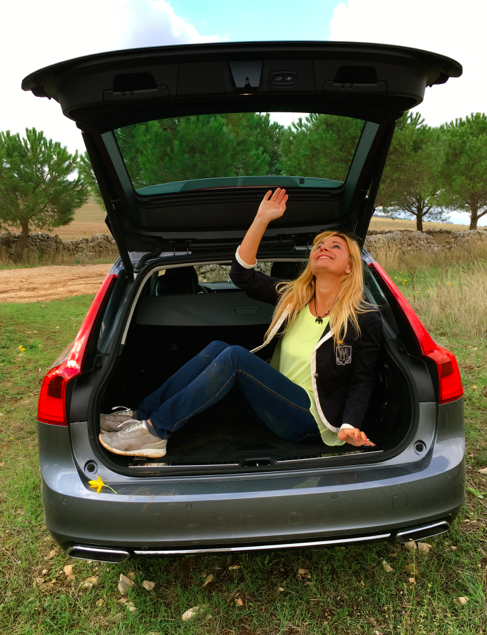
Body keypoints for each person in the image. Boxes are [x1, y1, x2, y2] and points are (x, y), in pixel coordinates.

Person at [99, 188, 382, 458]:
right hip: (275, 400)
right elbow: (242, 275)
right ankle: (139, 415)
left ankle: (155, 431)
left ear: (350, 266)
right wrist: (261, 219)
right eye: (319, 245)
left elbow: (362, 379)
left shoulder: (363, 317)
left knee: (235, 356)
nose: (324, 248)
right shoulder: (294, 298)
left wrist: (349, 424)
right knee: (218, 347)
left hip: (310, 420)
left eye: (335, 246)